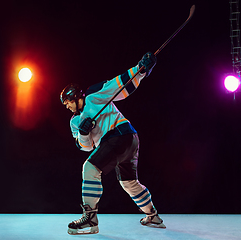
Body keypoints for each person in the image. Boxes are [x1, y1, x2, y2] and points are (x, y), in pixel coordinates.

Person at [60, 52, 166, 235]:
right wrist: (84, 133)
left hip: (120, 136)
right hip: (128, 140)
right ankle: (152, 216)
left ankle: (90, 218)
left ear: (76, 97)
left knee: (90, 169)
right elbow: (85, 147)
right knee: (129, 183)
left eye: (68, 102)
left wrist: (141, 69)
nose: (67, 106)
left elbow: (119, 85)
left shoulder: (93, 95)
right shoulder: (74, 122)